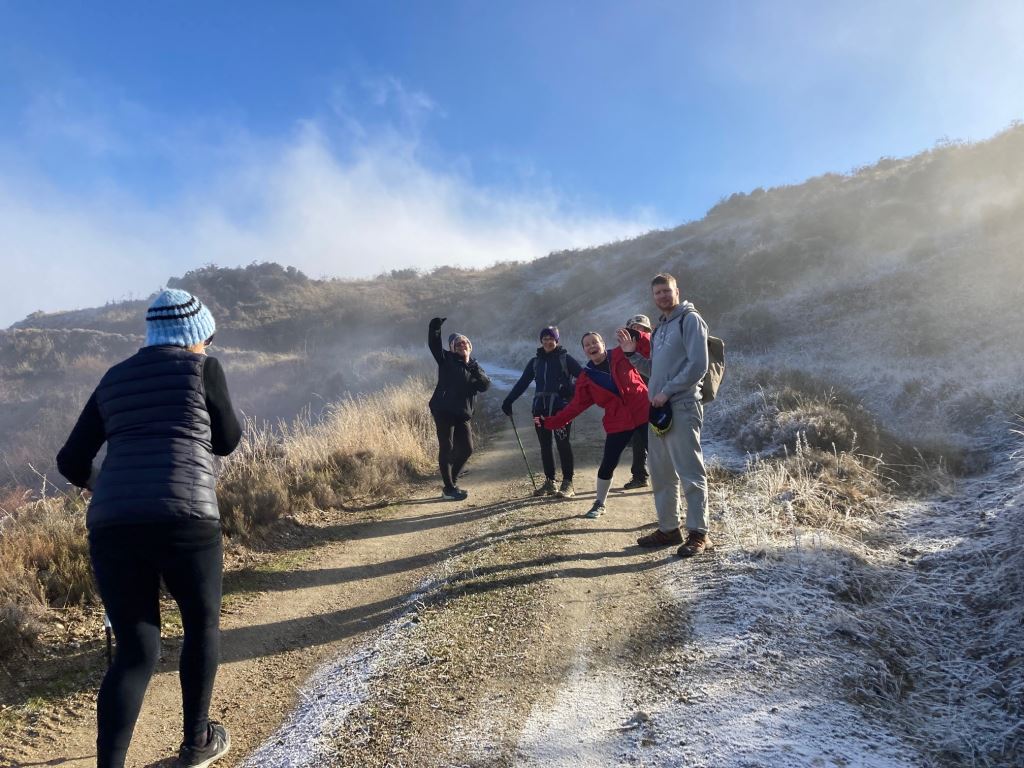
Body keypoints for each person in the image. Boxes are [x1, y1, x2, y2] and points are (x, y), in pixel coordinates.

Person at [56, 289, 241, 768]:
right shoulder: (205, 369)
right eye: (207, 337)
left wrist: (104, 484)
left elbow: (70, 460)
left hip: (115, 524)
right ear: (196, 336)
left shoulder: (113, 378)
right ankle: (197, 741)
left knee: (135, 652)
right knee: (201, 626)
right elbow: (227, 442)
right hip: (187, 517)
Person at [621, 273, 711, 557]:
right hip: (658, 410)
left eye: (666, 291)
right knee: (661, 474)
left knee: (689, 471)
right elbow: (656, 371)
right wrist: (632, 355)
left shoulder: (690, 320)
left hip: (682, 406)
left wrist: (668, 391)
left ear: (677, 291)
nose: (662, 296)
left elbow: (699, 365)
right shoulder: (660, 329)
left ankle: (699, 533)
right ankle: (670, 529)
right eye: (657, 292)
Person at [535, 331, 648, 518]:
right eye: (587, 345)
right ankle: (599, 503)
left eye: (594, 342)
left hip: (645, 413)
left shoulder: (622, 353)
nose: (591, 346)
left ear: (603, 343)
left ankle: (674, 505)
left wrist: (637, 333)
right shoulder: (587, 377)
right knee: (607, 464)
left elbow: (649, 347)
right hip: (618, 422)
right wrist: (550, 422)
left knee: (662, 461)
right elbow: (575, 407)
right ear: (584, 351)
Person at [501, 326, 583, 498]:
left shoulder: (565, 359)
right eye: (544, 338)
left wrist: (570, 390)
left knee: (562, 443)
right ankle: (550, 482)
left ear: (557, 340)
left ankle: (568, 483)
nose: (547, 341)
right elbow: (523, 383)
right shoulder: (535, 362)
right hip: (539, 409)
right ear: (541, 341)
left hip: (561, 409)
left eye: (551, 338)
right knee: (545, 445)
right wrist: (509, 400)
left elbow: (584, 377)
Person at [428, 316, 491, 500]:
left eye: (465, 343)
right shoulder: (446, 359)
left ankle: (451, 481)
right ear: (451, 348)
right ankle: (449, 489)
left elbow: (485, 386)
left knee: (467, 449)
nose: (461, 345)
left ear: (470, 347)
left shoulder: (473, 365)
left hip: (462, 414)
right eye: (457, 344)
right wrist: (435, 328)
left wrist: (471, 365)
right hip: (444, 410)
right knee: (447, 447)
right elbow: (434, 344)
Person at [622, 314, 653, 490]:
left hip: (657, 400)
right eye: (634, 328)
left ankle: (665, 478)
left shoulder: (654, 345)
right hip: (636, 403)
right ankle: (640, 476)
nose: (638, 331)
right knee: (639, 439)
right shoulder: (624, 350)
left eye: (641, 328)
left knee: (656, 442)